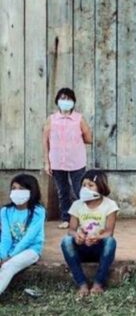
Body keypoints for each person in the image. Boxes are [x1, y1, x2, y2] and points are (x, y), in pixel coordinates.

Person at [60, 170, 118, 297]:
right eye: (84, 185)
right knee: (65, 241)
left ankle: (98, 283)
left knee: (111, 242)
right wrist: (77, 236)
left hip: (99, 249)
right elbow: (71, 230)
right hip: (81, 248)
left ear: (101, 187)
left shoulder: (110, 205)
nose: (86, 188)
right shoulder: (77, 205)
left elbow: (109, 232)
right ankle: (82, 284)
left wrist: (97, 237)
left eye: (91, 185)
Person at [43, 87, 92, 229]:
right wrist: (47, 162)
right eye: (62, 98)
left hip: (76, 161)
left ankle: (85, 217)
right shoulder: (51, 120)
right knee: (62, 191)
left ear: (73, 102)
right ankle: (66, 218)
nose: (65, 102)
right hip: (57, 162)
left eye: (68, 99)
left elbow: (88, 138)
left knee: (80, 190)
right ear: (57, 101)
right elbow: (45, 141)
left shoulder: (79, 119)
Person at [0, 174, 46, 296]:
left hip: (31, 250)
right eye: (14, 188)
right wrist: (2, 255)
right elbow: (6, 237)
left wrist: (10, 256)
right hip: (9, 250)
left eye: (21, 189)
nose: (16, 192)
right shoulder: (5, 211)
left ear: (32, 191)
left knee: (10, 265)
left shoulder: (38, 211)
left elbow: (29, 238)